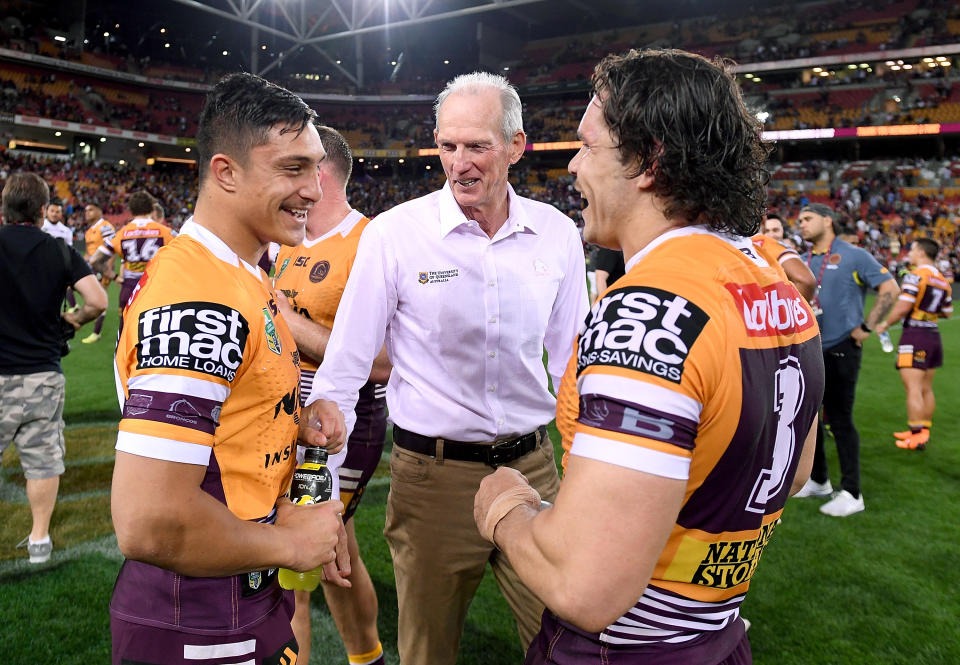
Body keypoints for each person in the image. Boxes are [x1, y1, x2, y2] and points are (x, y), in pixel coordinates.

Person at [473, 48, 824, 665]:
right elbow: (791, 474)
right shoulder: (774, 286)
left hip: (622, 649)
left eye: (588, 145)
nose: (574, 166)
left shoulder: (650, 310)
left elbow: (586, 585)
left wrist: (506, 508)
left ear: (648, 162)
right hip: (716, 635)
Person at [307, 71, 589, 665]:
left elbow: (572, 370)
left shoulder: (557, 235)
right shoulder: (394, 236)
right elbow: (343, 370)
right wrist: (324, 494)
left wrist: (590, 477)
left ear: (516, 145)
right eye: (448, 146)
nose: (459, 163)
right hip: (430, 481)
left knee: (568, 643)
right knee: (427, 652)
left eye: (477, 146)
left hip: (535, 470)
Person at [109, 72, 350, 665]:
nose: (315, 190)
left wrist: (295, 418)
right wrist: (290, 543)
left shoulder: (244, 272)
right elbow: (151, 521)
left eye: (317, 168)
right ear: (226, 172)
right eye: (292, 168)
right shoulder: (199, 299)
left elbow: (229, 417)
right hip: (198, 615)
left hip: (237, 594)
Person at [274, 125, 392, 665]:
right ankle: (366, 658)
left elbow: (384, 363)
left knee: (293, 566)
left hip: (343, 421)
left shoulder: (371, 242)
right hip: (288, 416)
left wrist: (285, 319)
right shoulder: (285, 243)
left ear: (318, 175)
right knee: (336, 557)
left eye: (291, 167)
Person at [0, 173, 107, 564]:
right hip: (42, 373)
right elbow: (97, 301)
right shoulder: (59, 250)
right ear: (43, 211)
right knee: (42, 460)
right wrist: (70, 322)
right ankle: (39, 540)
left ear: (4, 208)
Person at [795, 201, 899, 516]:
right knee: (810, 417)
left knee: (839, 419)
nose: (801, 224)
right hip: (809, 348)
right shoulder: (801, 260)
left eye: (807, 218)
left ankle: (852, 493)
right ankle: (819, 479)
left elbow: (890, 288)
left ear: (828, 221)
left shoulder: (854, 255)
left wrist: (866, 327)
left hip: (841, 347)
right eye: (799, 219)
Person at [876, 238, 952, 450]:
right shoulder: (942, 280)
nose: (908, 252)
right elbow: (947, 311)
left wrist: (884, 324)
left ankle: (916, 436)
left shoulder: (915, 276)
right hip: (933, 335)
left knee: (913, 388)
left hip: (915, 335)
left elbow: (903, 307)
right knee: (926, 387)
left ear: (920, 252)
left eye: (912, 248)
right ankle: (922, 431)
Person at [90, 191, 175, 338]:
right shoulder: (166, 232)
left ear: (131, 210)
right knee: (155, 336)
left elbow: (95, 260)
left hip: (129, 288)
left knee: (126, 336)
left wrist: (114, 276)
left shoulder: (121, 233)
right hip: (157, 288)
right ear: (151, 208)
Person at [79, 202, 116, 338]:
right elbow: (89, 253)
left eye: (91, 210)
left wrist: (108, 270)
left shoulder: (105, 227)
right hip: (91, 268)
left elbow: (112, 249)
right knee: (90, 297)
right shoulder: (89, 231)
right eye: (86, 210)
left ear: (99, 211)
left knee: (99, 299)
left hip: (102, 268)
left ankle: (96, 332)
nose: (87, 213)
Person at [750, 233, 816, 301]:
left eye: (775, 230)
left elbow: (805, 281)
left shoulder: (762, 243)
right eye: (767, 230)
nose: (772, 234)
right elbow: (805, 281)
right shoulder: (764, 243)